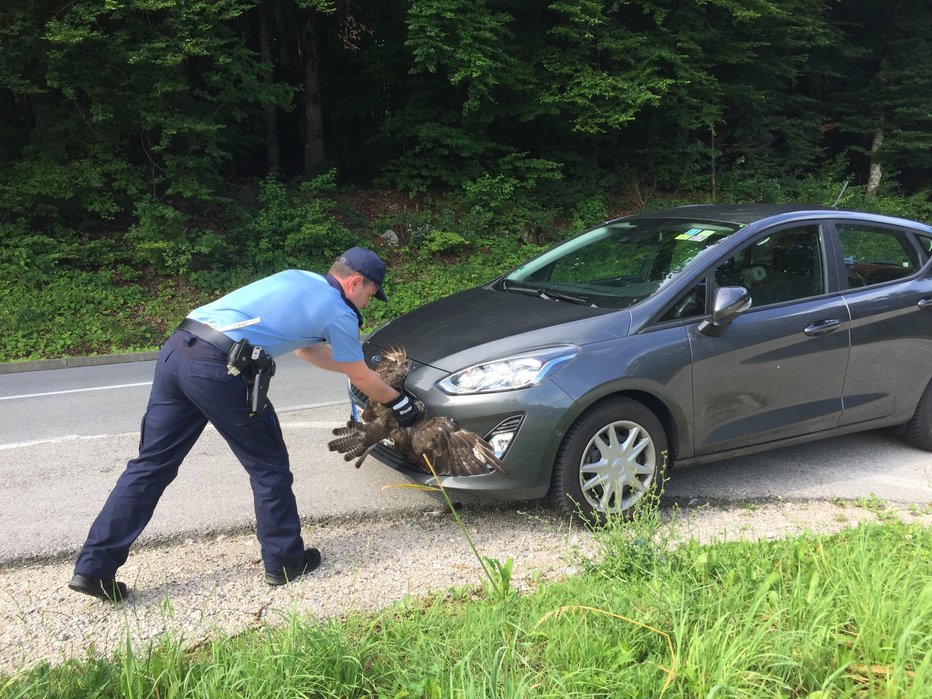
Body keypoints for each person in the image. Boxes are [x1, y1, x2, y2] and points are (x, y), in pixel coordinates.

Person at [68, 247, 420, 602]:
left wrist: (367, 375)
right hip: (220, 368)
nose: (366, 304)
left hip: (178, 350)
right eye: (370, 295)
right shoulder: (339, 311)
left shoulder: (299, 278)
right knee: (269, 467)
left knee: (151, 465)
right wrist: (397, 399)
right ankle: (285, 561)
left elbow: (308, 351)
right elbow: (357, 374)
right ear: (356, 282)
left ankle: (94, 567)